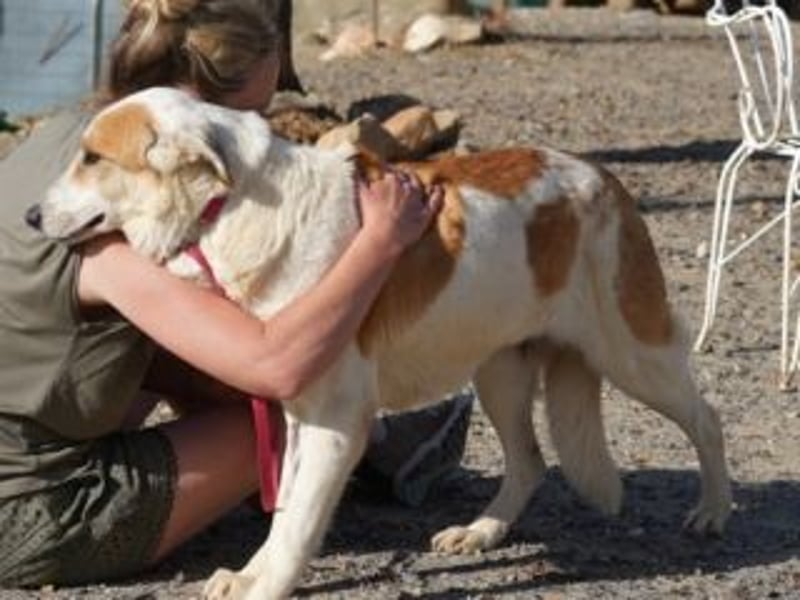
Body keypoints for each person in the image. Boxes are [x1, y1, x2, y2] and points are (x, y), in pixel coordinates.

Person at [0, 0, 471, 588]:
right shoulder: (113, 223)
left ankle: (377, 449)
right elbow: (279, 364)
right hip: (30, 513)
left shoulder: (73, 134)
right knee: (301, 407)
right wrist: (380, 243)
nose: (262, 141)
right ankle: (384, 449)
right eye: (252, 120)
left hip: (38, 427)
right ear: (198, 128)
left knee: (217, 350)